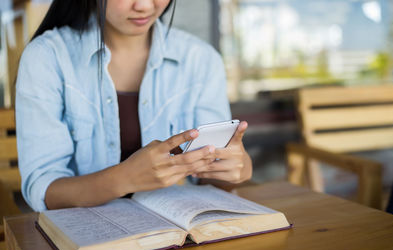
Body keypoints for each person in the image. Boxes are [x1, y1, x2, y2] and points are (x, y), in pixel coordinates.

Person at [16, 0, 252, 212]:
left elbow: (210, 170)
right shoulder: (47, 57)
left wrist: (237, 168)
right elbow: (43, 190)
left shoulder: (201, 59)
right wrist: (124, 178)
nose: (145, 6)